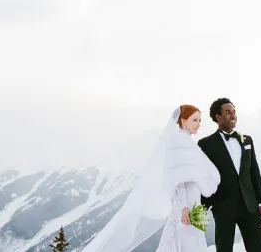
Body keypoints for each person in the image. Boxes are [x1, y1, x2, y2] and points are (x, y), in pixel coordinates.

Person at [79, 105, 221, 252]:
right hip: (184, 203)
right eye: (195, 120)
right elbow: (177, 179)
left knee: (189, 239)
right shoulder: (178, 142)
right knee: (185, 239)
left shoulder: (187, 142)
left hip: (193, 200)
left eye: (199, 120)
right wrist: (184, 207)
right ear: (183, 121)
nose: (199, 124)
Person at [198, 98, 261, 252]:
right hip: (223, 205)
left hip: (249, 205)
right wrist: (203, 205)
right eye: (228, 112)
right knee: (224, 248)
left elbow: (254, 172)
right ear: (218, 117)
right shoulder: (205, 144)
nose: (233, 115)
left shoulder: (247, 140)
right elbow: (203, 177)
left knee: (257, 247)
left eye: (234, 112)